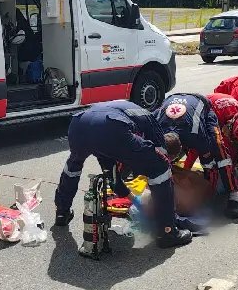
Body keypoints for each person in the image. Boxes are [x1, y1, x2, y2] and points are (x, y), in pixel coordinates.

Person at [54, 100, 192, 249]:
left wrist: (135, 201)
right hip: (111, 126)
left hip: (79, 124)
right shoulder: (151, 121)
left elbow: (112, 173)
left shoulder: (133, 114)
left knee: (73, 166)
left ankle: (62, 212)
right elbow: (161, 157)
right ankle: (168, 233)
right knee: (161, 169)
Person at [155, 93, 238, 218]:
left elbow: (209, 166)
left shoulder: (198, 137)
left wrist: (208, 195)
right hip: (171, 99)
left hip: (202, 104)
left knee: (219, 149)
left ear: (182, 148)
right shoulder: (154, 129)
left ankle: (234, 195)